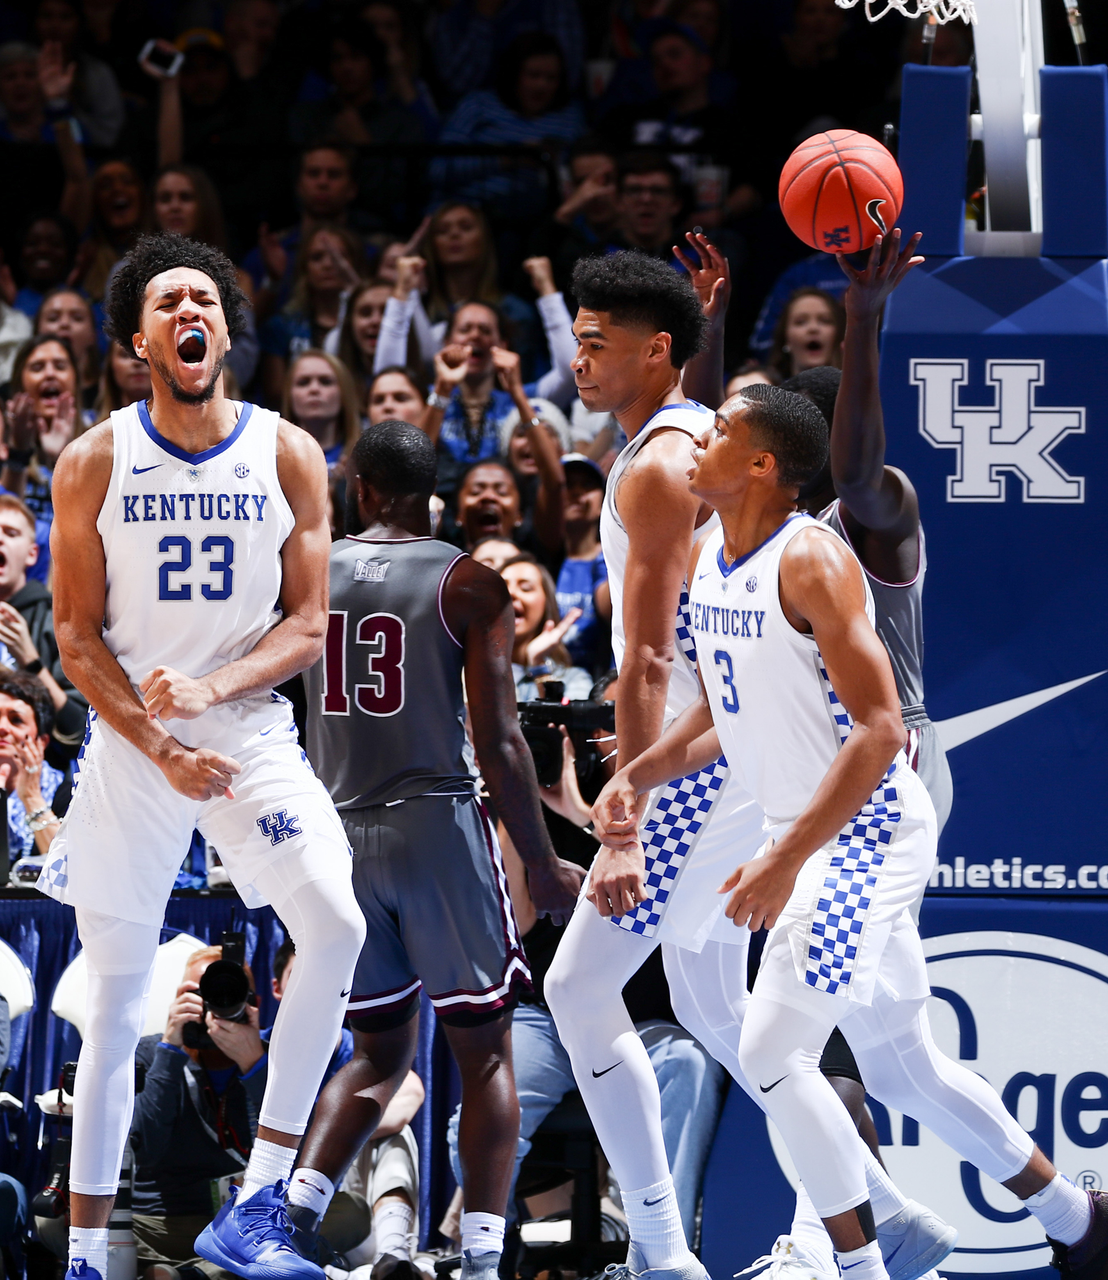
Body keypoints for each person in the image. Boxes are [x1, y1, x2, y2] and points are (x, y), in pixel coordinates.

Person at [591, 380, 1108, 1280]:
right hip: (808, 832)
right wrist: (636, 775)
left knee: (773, 1048)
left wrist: (785, 857)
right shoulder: (713, 554)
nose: (695, 441)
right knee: (905, 1069)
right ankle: (1081, 1222)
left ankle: (857, 1266)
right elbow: (721, 709)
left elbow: (878, 731)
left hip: (863, 834)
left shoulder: (813, 560)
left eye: (718, 432)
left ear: (761, 465)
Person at [543, 251, 944, 1280]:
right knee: (712, 1001)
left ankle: (662, 1247)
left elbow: (641, 656)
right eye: (576, 340)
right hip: (718, 751)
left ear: (654, 351)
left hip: (698, 764)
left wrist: (627, 810)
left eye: (595, 343)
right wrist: (708, 326)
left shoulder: (659, 466)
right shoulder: (680, 441)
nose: (577, 359)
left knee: (581, 988)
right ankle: (881, 1207)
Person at [36, 231, 366, 1280]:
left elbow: (308, 624)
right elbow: (74, 637)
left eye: (207, 300)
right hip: (133, 738)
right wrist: (155, 736)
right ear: (139, 339)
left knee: (337, 924)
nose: (191, 311)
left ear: (225, 329)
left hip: (246, 727)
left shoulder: (287, 451)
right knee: (121, 992)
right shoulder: (93, 457)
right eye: (169, 301)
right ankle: (90, 1254)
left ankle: (258, 1206)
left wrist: (215, 692)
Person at [295, 420, 583, 1280]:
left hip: (338, 831)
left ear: (359, 492)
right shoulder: (470, 583)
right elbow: (498, 743)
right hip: (436, 828)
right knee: (484, 1049)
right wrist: (539, 860)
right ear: (436, 494)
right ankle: (483, 1258)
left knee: (377, 1054)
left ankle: (290, 1214)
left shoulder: (306, 572)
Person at [449, 673, 726, 1244]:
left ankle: (659, 1247)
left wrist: (590, 821)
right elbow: (518, 924)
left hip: (649, 1021)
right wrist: (528, 811)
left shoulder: (679, 800)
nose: (615, 741)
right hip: (546, 1019)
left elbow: (649, 894)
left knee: (690, 1067)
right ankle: (511, 1237)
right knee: (475, 1115)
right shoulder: (531, 810)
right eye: (605, 726)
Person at [266, 939, 426, 1274]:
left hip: (352, 1203)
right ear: (277, 987)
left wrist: (329, 1133)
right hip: (282, 1206)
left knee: (395, 1133)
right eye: (299, 976)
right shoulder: (255, 1049)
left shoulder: (358, 1050)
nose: (312, 988)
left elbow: (412, 1093)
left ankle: (392, 1257)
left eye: (322, 976)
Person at [130, 946, 269, 1280]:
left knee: (348, 1212)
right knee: (83, 1219)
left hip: (244, 1223)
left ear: (253, 1003)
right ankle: (210, 1272)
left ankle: (193, 1274)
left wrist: (254, 1064)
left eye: (227, 995)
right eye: (200, 993)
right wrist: (170, 1048)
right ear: (180, 999)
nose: (214, 1005)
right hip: (162, 1223)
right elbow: (145, 1150)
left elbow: (301, 1150)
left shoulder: (274, 1055)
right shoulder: (152, 1053)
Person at [434, 32, 586, 224]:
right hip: (468, 215)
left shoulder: (570, 117)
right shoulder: (478, 105)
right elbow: (438, 170)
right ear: (514, 74)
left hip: (537, 222)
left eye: (551, 78)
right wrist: (507, 158)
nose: (542, 85)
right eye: (533, 75)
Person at [149, 165, 260, 389]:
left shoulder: (235, 279)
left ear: (204, 206)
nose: (175, 206)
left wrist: (207, 382)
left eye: (186, 197)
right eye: (165, 198)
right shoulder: (127, 273)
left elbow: (244, 347)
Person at [0, 493, 87, 753]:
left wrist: (31, 661)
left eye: (11, 533)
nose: (0, 539)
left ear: (32, 554)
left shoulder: (58, 620)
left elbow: (78, 732)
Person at [260, 227, 366, 408]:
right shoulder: (282, 326)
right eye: (317, 257)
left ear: (354, 263)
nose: (328, 265)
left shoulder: (371, 323)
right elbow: (275, 392)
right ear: (304, 268)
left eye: (338, 257)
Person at [523, 139, 622, 300]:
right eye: (582, 183)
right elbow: (527, 286)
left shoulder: (644, 231)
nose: (593, 193)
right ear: (570, 187)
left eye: (605, 181)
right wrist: (565, 213)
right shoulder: (562, 236)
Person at [2, 333, 85, 526]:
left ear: (75, 379)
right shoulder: (2, 443)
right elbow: (5, 522)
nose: (49, 374)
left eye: (60, 366)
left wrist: (61, 459)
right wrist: (19, 451)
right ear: (19, 382)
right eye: (37, 368)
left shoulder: (100, 438)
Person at [502, 553, 590, 700]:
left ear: (546, 604)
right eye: (502, 588)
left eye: (525, 588)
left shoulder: (573, 679)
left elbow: (561, 722)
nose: (511, 593)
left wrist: (538, 665)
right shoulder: (467, 673)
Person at [0, 669, 65, 863]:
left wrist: (30, 797)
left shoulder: (69, 795)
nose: (2, 727)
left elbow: (66, 869)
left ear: (42, 741)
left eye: (16, 719)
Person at [554, 454, 610, 676]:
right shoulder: (540, 557)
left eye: (587, 485)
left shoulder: (612, 558)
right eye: (567, 485)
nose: (576, 492)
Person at [281, 350, 362, 479]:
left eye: (325, 382)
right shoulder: (272, 458)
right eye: (303, 382)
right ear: (289, 395)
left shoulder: (364, 459)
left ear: (344, 393)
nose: (314, 389)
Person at [34, 288, 101, 409]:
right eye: (53, 318)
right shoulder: (12, 391)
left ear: (93, 335)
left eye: (77, 318)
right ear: (37, 331)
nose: (64, 323)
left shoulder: (108, 391)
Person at [334, 280, 394, 403]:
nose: (376, 321)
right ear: (350, 323)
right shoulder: (334, 387)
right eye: (365, 313)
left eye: (387, 312)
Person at [768, 288, 844, 381]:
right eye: (800, 322)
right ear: (785, 338)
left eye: (825, 320)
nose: (813, 328)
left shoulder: (860, 391)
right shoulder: (765, 391)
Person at [92, 342, 152, 424]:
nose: (137, 362)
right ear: (110, 365)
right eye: (125, 354)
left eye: (146, 353)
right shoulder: (91, 430)